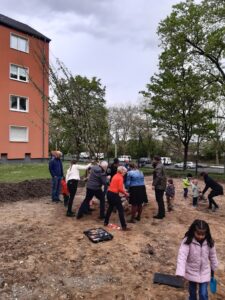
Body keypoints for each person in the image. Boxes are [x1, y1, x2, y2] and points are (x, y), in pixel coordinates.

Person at [176, 219, 218, 300]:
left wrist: (214, 266)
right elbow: (182, 256)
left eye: (203, 234)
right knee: (192, 293)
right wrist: (180, 271)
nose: (200, 236)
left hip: (204, 272)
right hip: (191, 271)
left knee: (203, 293)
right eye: (198, 233)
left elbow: (212, 255)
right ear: (193, 231)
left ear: (206, 233)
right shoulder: (188, 241)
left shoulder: (209, 241)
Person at [104, 166, 130, 231]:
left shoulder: (115, 175)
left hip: (109, 193)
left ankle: (105, 222)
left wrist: (123, 192)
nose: (125, 173)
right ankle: (124, 226)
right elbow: (120, 188)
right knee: (120, 210)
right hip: (114, 194)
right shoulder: (120, 177)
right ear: (122, 171)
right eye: (125, 172)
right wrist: (126, 193)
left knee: (110, 208)